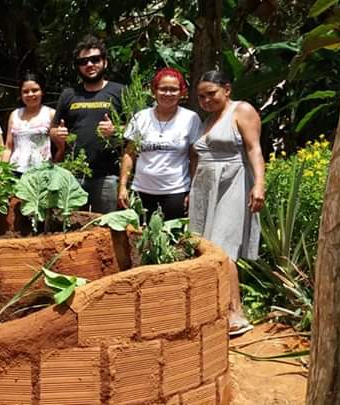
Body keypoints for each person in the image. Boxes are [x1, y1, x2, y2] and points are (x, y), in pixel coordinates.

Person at [189, 70, 265, 337]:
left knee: (223, 247)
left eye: (211, 94)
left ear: (227, 89)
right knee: (205, 246)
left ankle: (236, 313)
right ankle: (214, 308)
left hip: (233, 183)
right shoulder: (207, 120)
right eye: (201, 97)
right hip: (204, 188)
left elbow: (254, 148)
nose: (206, 100)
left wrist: (259, 183)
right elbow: (197, 158)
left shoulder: (241, 110)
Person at [49, 35, 124, 214]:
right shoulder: (69, 94)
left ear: (105, 62)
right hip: (72, 175)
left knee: (105, 226)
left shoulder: (120, 91)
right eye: (83, 62)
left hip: (107, 177)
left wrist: (116, 130)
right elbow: (52, 129)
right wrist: (56, 134)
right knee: (69, 225)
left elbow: (137, 131)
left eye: (95, 59)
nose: (89, 64)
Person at [118, 67, 202, 221]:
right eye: (163, 89)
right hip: (141, 191)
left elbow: (194, 157)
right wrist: (123, 186)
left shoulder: (191, 119)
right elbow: (129, 154)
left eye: (173, 89)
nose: (168, 94)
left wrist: (193, 190)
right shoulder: (140, 117)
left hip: (176, 191)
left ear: (182, 92)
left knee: (172, 234)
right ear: (154, 91)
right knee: (140, 234)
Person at [1, 72, 60, 174]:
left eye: (35, 90)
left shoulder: (50, 114)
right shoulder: (14, 115)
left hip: (42, 172)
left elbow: (60, 147)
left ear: (42, 92)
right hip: (15, 171)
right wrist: (2, 171)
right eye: (25, 91)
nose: (30, 94)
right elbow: (8, 147)